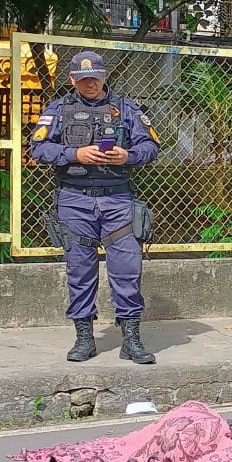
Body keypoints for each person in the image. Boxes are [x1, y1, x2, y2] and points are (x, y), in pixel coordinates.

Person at [29, 51, 160, 363]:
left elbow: (151, 146)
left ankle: (131, 338)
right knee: (80, 270)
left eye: (95, 78)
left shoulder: (126, 108)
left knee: (128, 269)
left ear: (104, 77)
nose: (90, 83)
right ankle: (84, 338)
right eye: (83, 78)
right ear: (72, 79)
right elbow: (38, 147)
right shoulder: (59, 109)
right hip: (74, 199)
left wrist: (127, 157)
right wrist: (77, 155)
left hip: (117, 198)